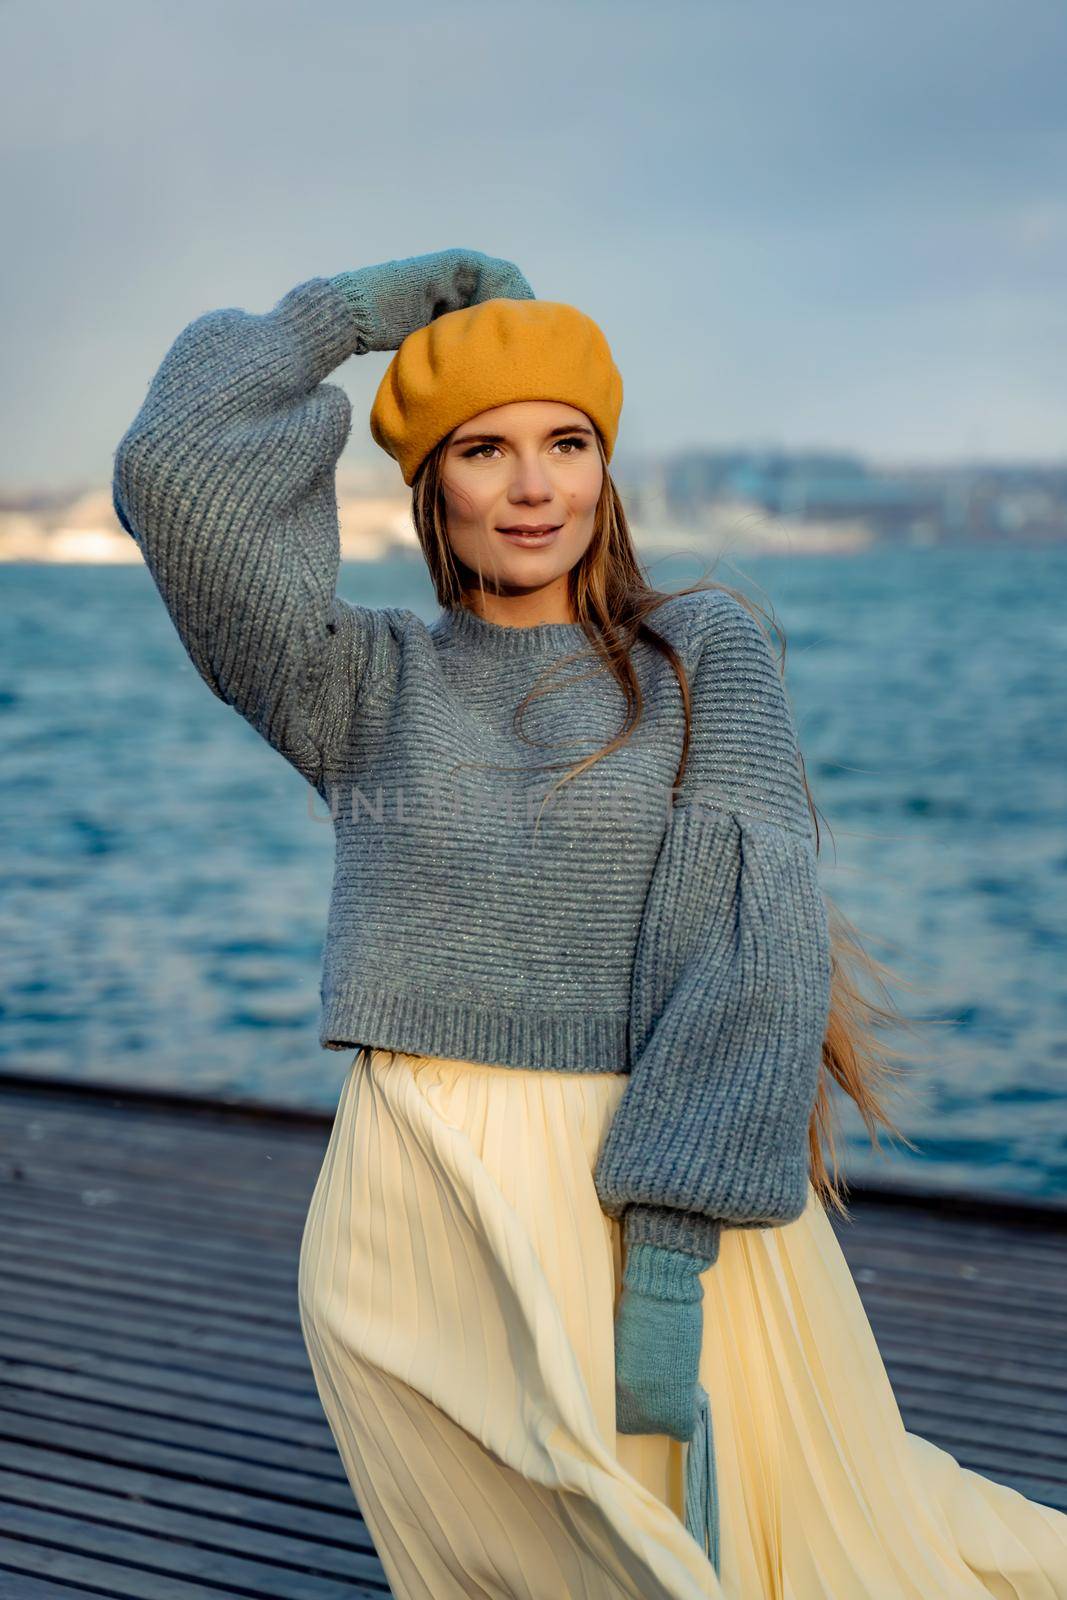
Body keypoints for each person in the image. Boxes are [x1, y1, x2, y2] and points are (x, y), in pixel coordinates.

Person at [112, 249, 1067, 1599]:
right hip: (412, 1206)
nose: (533, 484)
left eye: (567, 441)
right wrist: (354, 316)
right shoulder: (354, 680)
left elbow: (753, 942)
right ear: (432, 483)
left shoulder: (701, 654)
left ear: (606, 466)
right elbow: (176, 466)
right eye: (484, 448)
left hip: (646, 1201)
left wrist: (668, 1264)